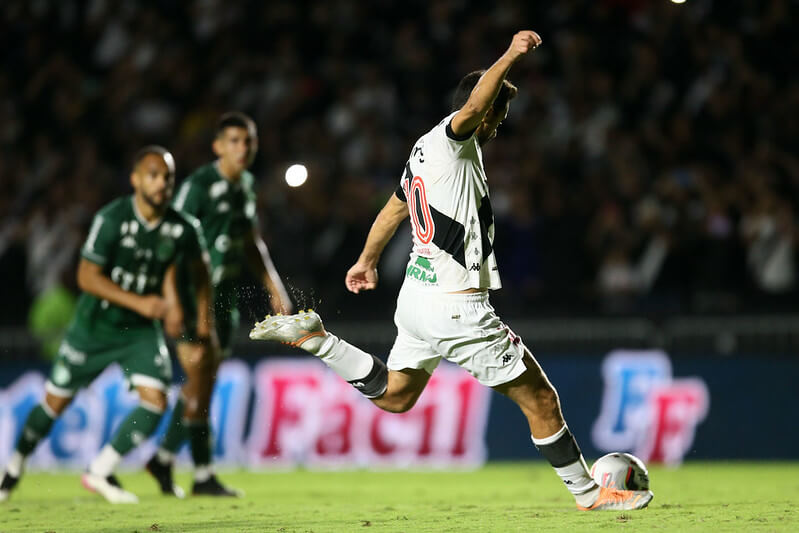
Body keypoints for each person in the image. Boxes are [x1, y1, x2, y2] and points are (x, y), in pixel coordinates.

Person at [250, 31, 653, 511]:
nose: (499, 123)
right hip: (455, 305)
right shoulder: (453, 139)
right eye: (497, 114)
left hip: (416, 299)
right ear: (480, 109)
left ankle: (317, 340)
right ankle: (589, 494)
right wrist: (511, 55)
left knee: (396, 395)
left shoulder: (425, 149)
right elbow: (472, 110)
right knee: (541, 400)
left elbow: (395, 209)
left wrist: (366, 259)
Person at [0, 146, 214, 504]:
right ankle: (14, 467)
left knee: (156, 401)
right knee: (55, 403)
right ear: (135, 179)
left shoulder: (182, 228)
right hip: (94, 327)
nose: (161, 183)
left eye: (167, 177)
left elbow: (196, 273)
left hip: (140, 332)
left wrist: (190, 315)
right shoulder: (113, 218)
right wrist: (142, 302)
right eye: (153, 175)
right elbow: (86, 276)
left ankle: (100, 470)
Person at [146, 112, 292, 497]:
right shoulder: (198, 187)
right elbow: (169, 245)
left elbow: (250, 241)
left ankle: (163, 460)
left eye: (249, 141)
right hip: (195, 298)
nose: (243, 148)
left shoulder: (245, 184)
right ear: (217, 146)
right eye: (234, 141)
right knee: (199, 382)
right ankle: (201, 474)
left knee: (203, 384)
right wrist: (173, 303)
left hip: (223, 300)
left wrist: (273, 286)